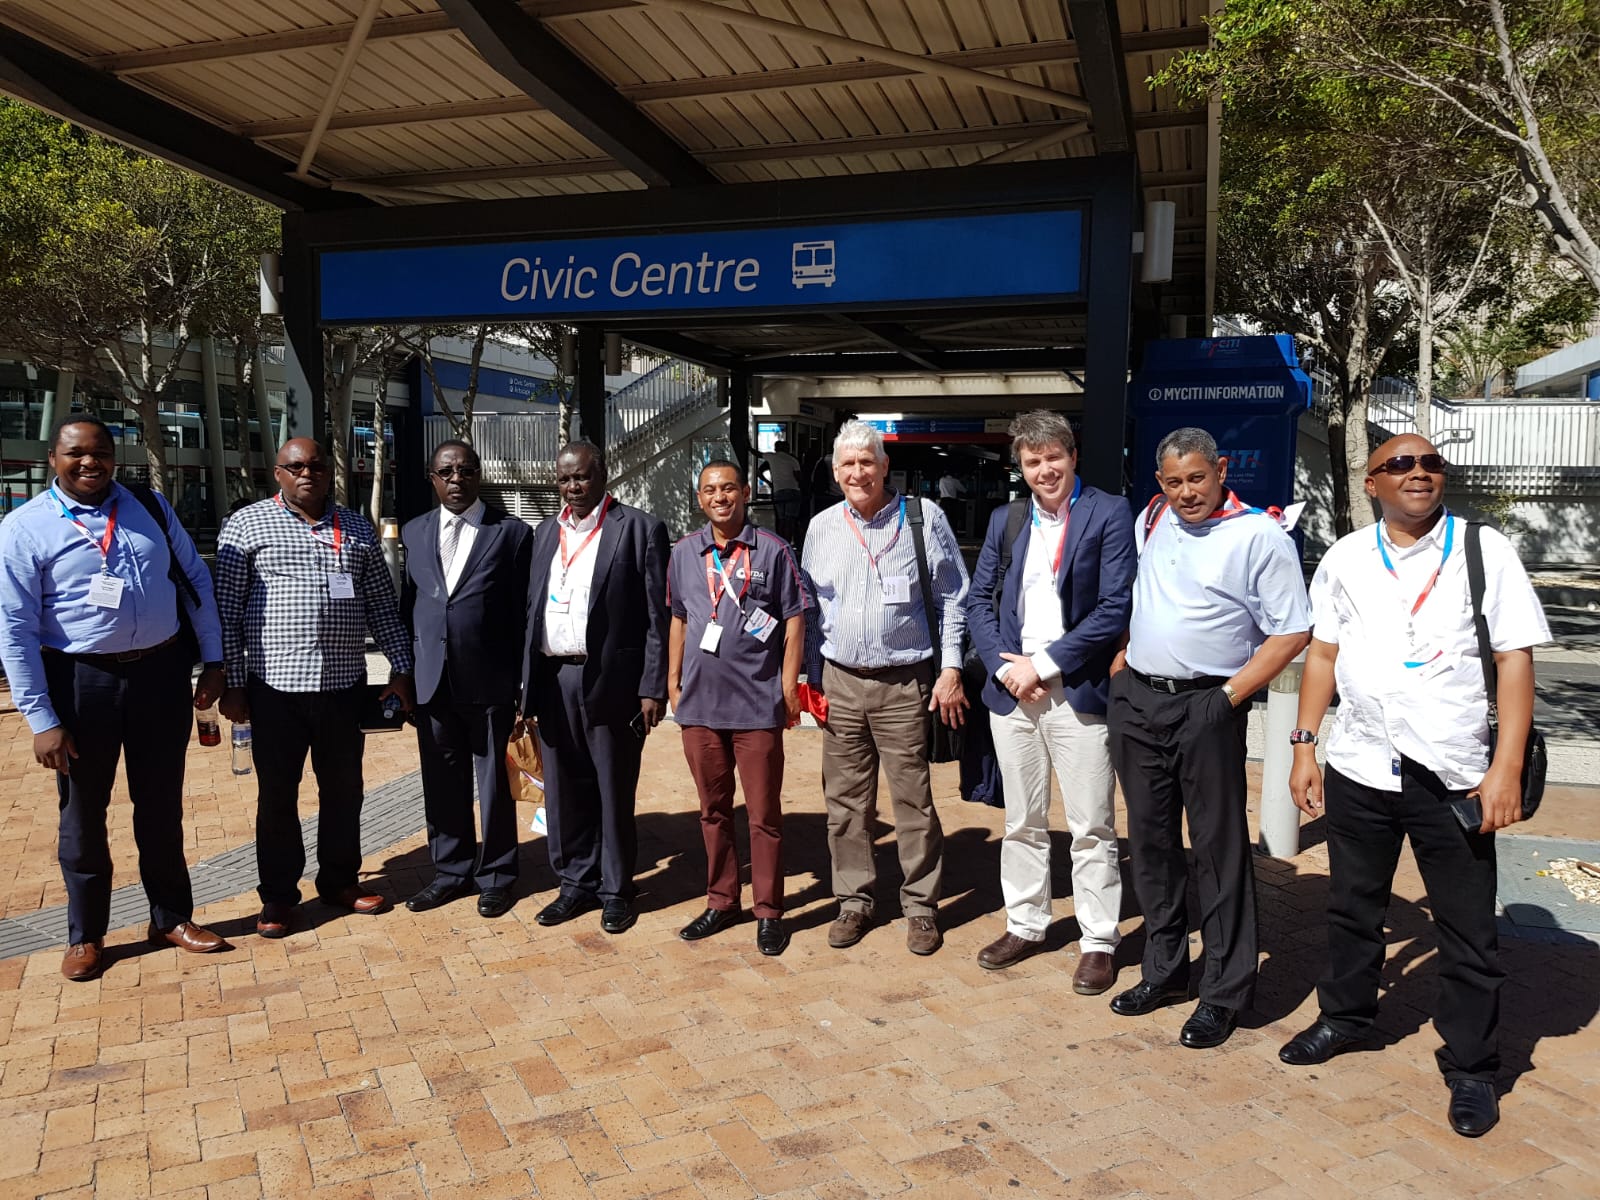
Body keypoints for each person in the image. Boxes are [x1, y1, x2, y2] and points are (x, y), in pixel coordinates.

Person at [1281, 434, 1549, 1138]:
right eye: (1400, 464)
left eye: (1430, 463)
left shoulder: (1483, 550)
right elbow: (1324, 655)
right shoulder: (1345, 557)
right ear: (1372, 483)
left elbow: (1514, 661)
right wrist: (1306, 746)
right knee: (1351, 907)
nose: (1419, 473)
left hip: (1454, 773)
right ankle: (1346, 1018)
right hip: (1362, 764)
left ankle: (1472, 1066)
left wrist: (1507, 770)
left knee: (1468, 931)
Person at [0, 416, 228, 981]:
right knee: (83, 816)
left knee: (161, 805)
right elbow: (15, 630)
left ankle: (171, 917)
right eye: (76, 454)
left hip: (160, 675)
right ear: (53, 458)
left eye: (99, 452)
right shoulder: (24, 528)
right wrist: (40, 718)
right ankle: (87, 935)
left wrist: (214, 660)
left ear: (113, 457)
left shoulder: (149, 507)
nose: (89, 463)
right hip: (81, 683)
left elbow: (196, 580)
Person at [1107, 427, 1310, 1048]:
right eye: (1173, 481)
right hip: (1139, 699)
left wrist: (1226, 699)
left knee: (1218, 850)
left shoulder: (1259, 535)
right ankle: (1166, 971)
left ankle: (1223, 991)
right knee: (1152, 843)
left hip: (1210, 702)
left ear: (1221, 470)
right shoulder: (1153, 517)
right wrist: (1122, 666)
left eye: (1197, 477)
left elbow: (1292, 631)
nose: (1186, 492)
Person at [215, 438, 415, 938]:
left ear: (330, 472)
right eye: (296, 466)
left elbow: (382, 606)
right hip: (275, 691)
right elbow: (228, 614)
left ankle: (340, 882)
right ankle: (280, 898)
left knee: (345, 791)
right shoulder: (246, 525)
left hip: (343, 688)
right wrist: (234, 684)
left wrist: (401, 667)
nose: (308, 473)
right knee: (278, 797)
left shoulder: (355, 527)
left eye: (317, 466)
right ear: (278, 473)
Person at [965, 411, 1134, 991]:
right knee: (1023, 822)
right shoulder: (1005, 519)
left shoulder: (1108, 512)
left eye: (1053, 458)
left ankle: (1097, 938)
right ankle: (1026, 922)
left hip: (1077, 691)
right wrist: (1007, 668)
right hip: (1014, 694)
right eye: (1033, 462)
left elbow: (1114, 607)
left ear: (1072, 455)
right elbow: (978, 603)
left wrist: (1045, 664)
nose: (1045, 470)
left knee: (1091, 824)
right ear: (1021, 467)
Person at [801, 419, 970, 955]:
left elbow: (953, 599)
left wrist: (951, 668)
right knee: (845, 804)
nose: (858, 472)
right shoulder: (822, 527)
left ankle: (920, 907)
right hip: (841, 682)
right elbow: (809, 605)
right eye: (848, 464)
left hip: (904, 684)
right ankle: (855, 900)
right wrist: (809, 678)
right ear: (835, 472)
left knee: (912, 801)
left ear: (884, 466)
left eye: (866, 462)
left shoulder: (924, 518)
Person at [521, 440, 669, 935]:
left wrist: (653, 688)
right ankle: (574, 884)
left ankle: (615, 889)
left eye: (581, 477)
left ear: (602, 474)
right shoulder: (545, 531)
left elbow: (656, 617)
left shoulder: (639, 529)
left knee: (611, 788)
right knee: (564, 790)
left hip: (612, 681)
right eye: (564, 479)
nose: (572, 488)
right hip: (553, 677)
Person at [667, 460, 808, 956]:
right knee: (712, 811)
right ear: (700, 498)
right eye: (710, 490)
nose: (720, 497)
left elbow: (793, 621)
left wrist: (788, 688)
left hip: (757, 705)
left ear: (746, 493)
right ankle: (722, 900)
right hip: (700, 707)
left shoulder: (772, 550)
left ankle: (769, 910)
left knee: (764, 814)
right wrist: (672, 681)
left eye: (729, 488)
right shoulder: (685, 552)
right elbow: (680, 618)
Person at [400, 441, 533, 918]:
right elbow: (409, 606)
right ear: (431, 477)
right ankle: (450, 872)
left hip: (491, 681)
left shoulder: (512, 533)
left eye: (466, 470)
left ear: (479, 475)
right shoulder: (414, 532)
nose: (456, 480)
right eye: (446, 472)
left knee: (494, 782)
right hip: (433, 681)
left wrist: (523, 682)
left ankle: (497, 874)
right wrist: (404, 672)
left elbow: (526, 613)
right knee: (441, 781)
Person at [759, 440, 804, 542]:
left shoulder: (771, 458)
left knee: (781, 520)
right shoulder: (793, 459)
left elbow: (758, 466)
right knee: (790, 520)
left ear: (776, 448)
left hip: (778, 490)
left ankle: (780, 542)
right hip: (793, 490)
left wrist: (770, 483)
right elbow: (798, 477)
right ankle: (788, 542)